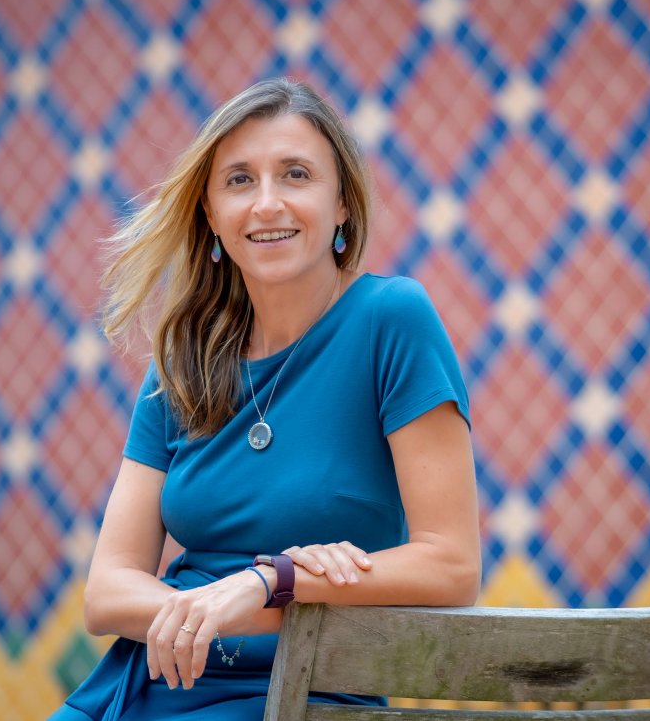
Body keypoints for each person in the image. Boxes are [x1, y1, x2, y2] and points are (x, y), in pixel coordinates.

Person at [49, 77, 480, 720]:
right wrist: (212, 607)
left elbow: (452, 567)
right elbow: (106, 594)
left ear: (341, 205)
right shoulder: (183, 361)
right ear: (212, 217)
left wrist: (270, 582)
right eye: (240, 180)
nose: (267, 203)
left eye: (296, 174)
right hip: (140, 689)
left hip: (300, 697)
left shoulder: (391, 320)